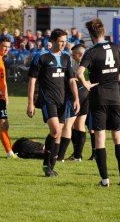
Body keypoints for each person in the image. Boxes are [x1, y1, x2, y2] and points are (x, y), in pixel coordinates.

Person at [77, 18, 120, 187]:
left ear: (91, 34)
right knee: (118, 137)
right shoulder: (115, 47)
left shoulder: (91, 51)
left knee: (100, 139)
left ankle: (105, 180)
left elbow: (79, 72)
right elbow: (119, 74)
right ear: (103, 30)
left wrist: (86, 85)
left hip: (98, 98)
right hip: (114, 97)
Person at [27, 28, 80, 177]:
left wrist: (76, 98)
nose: (63, 44)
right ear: (53, 41)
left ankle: (51, 166)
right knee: (55, 130)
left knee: (58, 135)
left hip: (63, 100)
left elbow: (71, 80)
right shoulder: (41, 56)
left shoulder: (66, 57)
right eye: (61, 41)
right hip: (47, 99)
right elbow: (32, 80)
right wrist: (30, 102)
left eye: (65, 41)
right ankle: (46, 164)